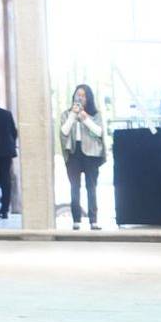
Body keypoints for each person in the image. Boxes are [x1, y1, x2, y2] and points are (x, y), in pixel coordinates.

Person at [60, 84, 104, 230]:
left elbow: (99, 132)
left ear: (88, 98)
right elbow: (64, 131)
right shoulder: (67, 114)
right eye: (78, 94)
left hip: (90, 153)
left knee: (91, 187)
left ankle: (93, 220)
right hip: (74, 153)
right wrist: (73, 115)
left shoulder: (95, 114)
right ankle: (76, 219)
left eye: (83, 95)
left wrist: (85, 119)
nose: (80, 97)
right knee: (74, 187)